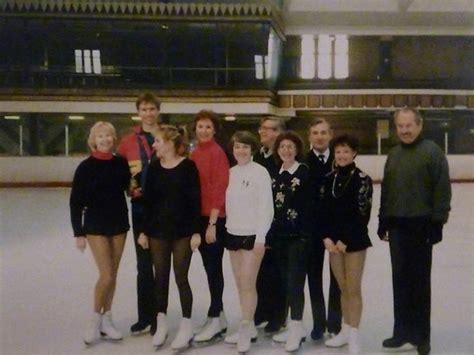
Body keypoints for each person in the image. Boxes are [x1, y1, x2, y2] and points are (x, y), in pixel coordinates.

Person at [378, 107, 451, 355]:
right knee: (400, 282)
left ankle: (421, 336)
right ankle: (401, 333)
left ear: (419, 125)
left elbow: (442, 189)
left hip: (421, 227)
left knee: (419, 284)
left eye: (409, 125)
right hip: (397, 227)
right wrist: (383, 220)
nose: (405, 130)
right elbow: (387, 189)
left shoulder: (432, 152)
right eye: (401, 126)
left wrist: (437, 222)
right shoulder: (394, 154)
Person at [137, 125, 201, 350]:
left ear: (170, 143)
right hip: (157, 231)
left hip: (183, 232)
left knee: (181, 277)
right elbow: (148, 201)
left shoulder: (188, 167)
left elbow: (195, 201)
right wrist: (144, 230)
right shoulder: (154, 168)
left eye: (157, 141)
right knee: (160, 277)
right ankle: (161, 321)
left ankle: (186, 324)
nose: (154, 145)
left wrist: (196, 231)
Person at [69, 121, 131, 345]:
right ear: (93, 140)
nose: (104, 140)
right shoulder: (85, 167)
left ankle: (108, 318)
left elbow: (129, 188)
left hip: (119, 223)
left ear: (113, 139)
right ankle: (95, 318)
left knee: (113, 274)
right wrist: (79, 232)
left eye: (108, 136)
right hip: (95, 225)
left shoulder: (121, 163)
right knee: (105, 274)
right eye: (100, 136)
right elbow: (75, 202)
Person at [319, 134, 373, 355]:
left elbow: (362, 213)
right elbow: (322, 211)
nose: (341, 155)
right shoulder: (328, 178)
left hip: (354, 241)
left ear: (354, 154)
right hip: (332, 243)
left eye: (346, 151)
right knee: (342, 288)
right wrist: (327, 238)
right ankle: (345, 328)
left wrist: (345, 240)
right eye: (338, 151)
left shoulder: (362, 179)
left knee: (353, 288)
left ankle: (354, 334)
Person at [223, 131, 274, 353]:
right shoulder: (230, 173)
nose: (241, 151)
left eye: (245, 147)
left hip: (253, 235)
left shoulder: (260, 172)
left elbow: (266, 207)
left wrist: (261, 238)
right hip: (232, 233)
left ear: (252, 150)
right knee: (239, 284)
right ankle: (249, 324)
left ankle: (245, 328)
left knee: (248, 283)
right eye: (237, 147)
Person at [117, 92, 160, 335]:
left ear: (158, 111)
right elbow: (121, 173)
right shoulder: (127, 142)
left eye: (152, 109)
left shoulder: (168, 136)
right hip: (140, 207)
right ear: (138, 112)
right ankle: (145, 316)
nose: (148, 113)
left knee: (162, 264)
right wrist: (130, 188)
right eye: (144, 109)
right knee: (144, 265)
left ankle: (159, 316)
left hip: (164, 207)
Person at [267, 131, 310, 352]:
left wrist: (305, 234)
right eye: (282, 146)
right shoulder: (276, 173)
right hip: (279, 237)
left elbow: (310, 207)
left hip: (298, 238)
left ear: (297, 149)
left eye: (290, 146)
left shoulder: (303, 173)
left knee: (295, 283)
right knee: (285, 281)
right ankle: (293, 324)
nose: (286, 150)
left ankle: (296, 327)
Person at [191, 109, 230, 343]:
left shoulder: (218, 153)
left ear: (214, 130)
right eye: (200, 126)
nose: (203, 130)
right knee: (209, 268)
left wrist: (213, 223)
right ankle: (220, 315)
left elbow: (220, 187)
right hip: (200, 218)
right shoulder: (195, 153)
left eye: (208, 127)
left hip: (215, 219)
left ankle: (215, 316)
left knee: (214, 268)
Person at [304, 118, 342, 340]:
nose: (319, 136)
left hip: (335, 230)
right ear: (310, 137)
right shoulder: (303, 162)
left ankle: (335, 323)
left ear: (330, 135)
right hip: (311, 231)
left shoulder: (339, 160)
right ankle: (319, 322)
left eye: (323, 132)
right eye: (315, 133)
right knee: (314, 278)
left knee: (337, 278)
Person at [253, 117, 288, 334]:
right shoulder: (257, 157)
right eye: (263, 128)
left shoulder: (284, 157)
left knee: (278, 271)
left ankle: (278, 315)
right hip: (258, 222)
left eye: (271, 129)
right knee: (260, 270)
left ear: (281, 133)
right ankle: (262, 310)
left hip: (280, 224)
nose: (265, 132)